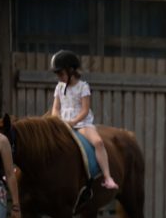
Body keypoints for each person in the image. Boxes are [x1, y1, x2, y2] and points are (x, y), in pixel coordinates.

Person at [49, 50, 119, 190]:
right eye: (57, 74)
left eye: (61, 74)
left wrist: (73, 122)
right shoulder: (59, 87)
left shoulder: (83, 87)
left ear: (71, 70)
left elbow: (85, 110)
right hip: (63, 124)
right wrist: (57, 120)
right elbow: (56, 108)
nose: (59, 77)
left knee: (98, 142)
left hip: (81, 123)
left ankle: (107, 177)